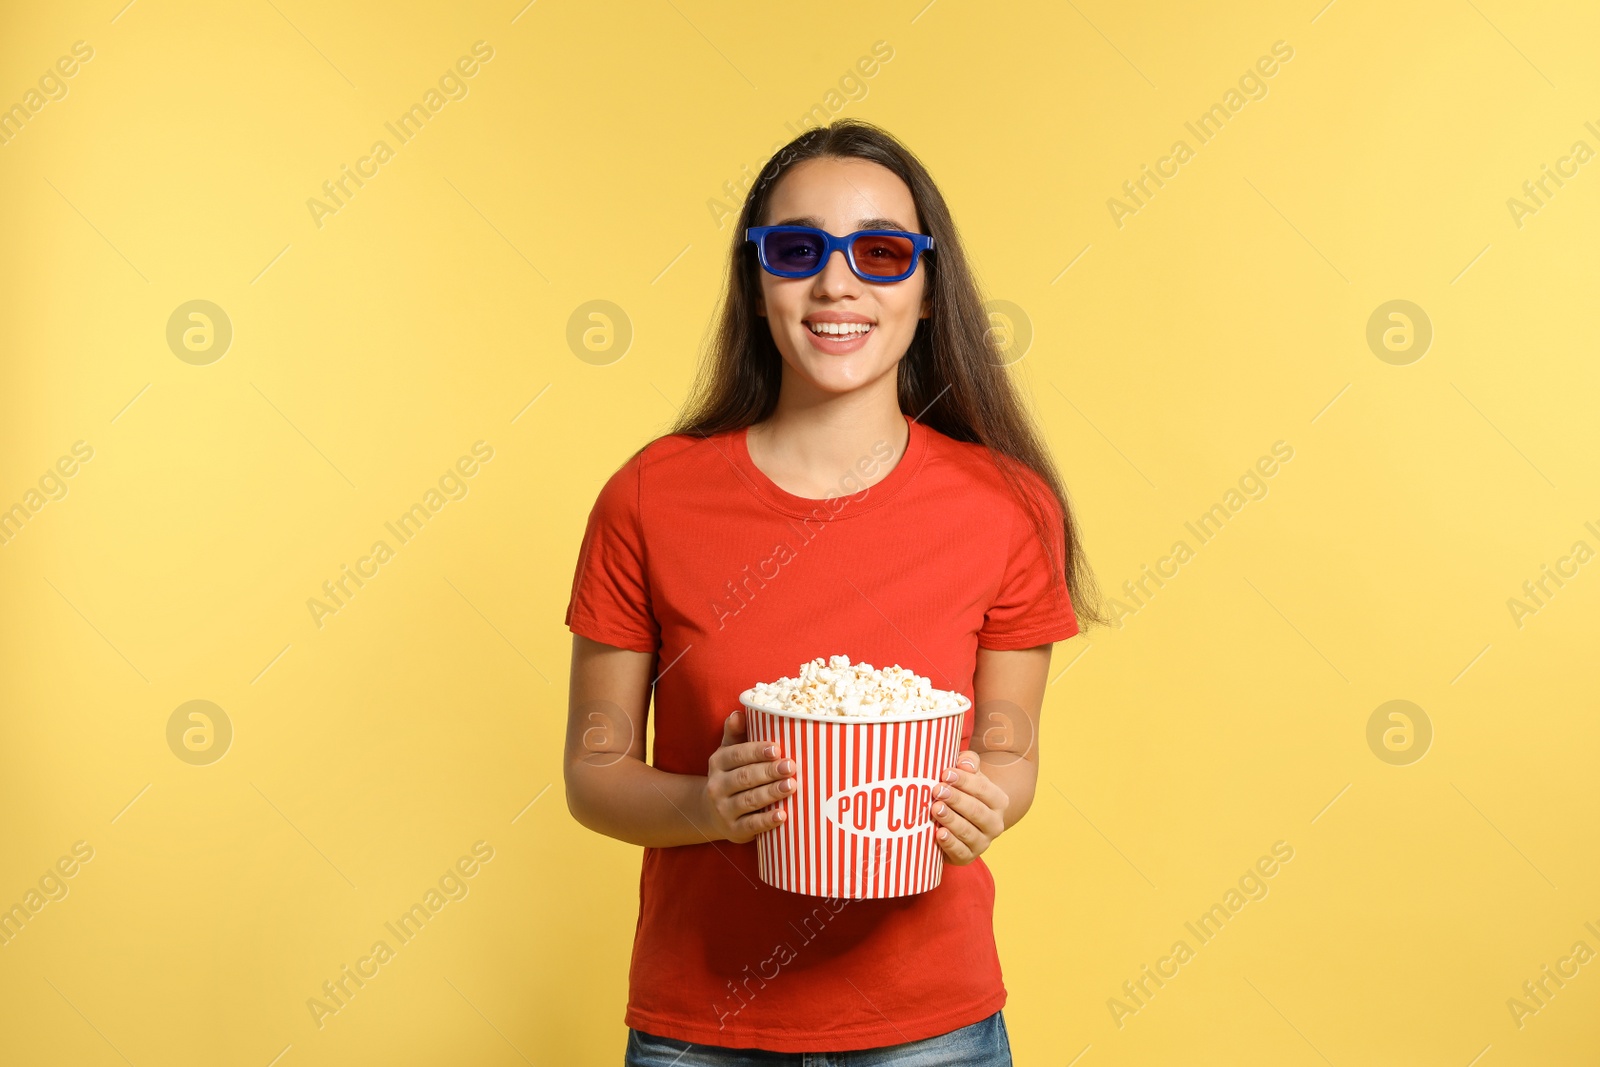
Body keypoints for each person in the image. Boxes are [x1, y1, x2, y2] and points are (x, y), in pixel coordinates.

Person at [563, 118, 1105, 1065]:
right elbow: (594, 771)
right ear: (757, 280)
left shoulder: (1008, 507)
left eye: (883, 251)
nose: (838, 283)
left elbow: (1009, 751)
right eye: (798, 249)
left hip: (930, 1026)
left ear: (930, 291)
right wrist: (709, 805)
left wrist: (991, 803)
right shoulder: (648, 496)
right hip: (705, 1025)